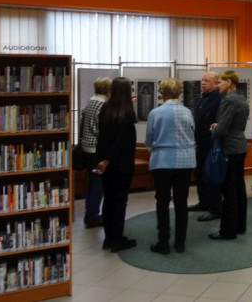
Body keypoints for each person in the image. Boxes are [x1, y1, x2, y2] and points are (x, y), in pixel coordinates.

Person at [145, 78, 196, 254]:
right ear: (179, 93)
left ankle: (163, 241)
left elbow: (149, 139)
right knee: (181, 202)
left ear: (162, 92)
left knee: (162, 201)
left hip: (162, 161)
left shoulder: (155, 113)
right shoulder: (187, 112)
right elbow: (192, 134)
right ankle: (180, 243)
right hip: (185, 161)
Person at [95, 77, 138, 253]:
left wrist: (103, 160)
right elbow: (121, 142)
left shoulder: (105, 108)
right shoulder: (127, 112)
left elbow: (102, 138)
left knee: (109, 199)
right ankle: (117, 239)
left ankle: (109, 237)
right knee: (120, 202)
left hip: (106, 164)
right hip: (122, 163)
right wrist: (108, 159)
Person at [208, 70, 249, 240]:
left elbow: (222, 128)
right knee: (239, 188)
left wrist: (214, 129)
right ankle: (240, 226)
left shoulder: (229, 100)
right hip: (240, 146)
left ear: (229, 82)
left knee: (229, 190)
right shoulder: (242, 98)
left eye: (220, 82)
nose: (218, 86)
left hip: (229, 149)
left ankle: (227, 231)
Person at [188, 71, 223, 222]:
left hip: (212, 144)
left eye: (207, 81)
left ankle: (215, 208)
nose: (203, 83)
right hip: (200, 143)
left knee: (210, 176)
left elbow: (218, 123)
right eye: (202, 80)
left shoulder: (219, 100)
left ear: (216, 83)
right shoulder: (203, 98)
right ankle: (203, 203)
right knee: (200, 174)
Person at [79, 77, 111, 229]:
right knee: (98, 184)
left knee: (92, 183)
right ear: (107, 90)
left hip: (86, 148)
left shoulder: (90, 101)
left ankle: (90, 213)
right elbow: (102, 130)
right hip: (96, 150)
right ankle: (92, 216)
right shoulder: (104, 105)